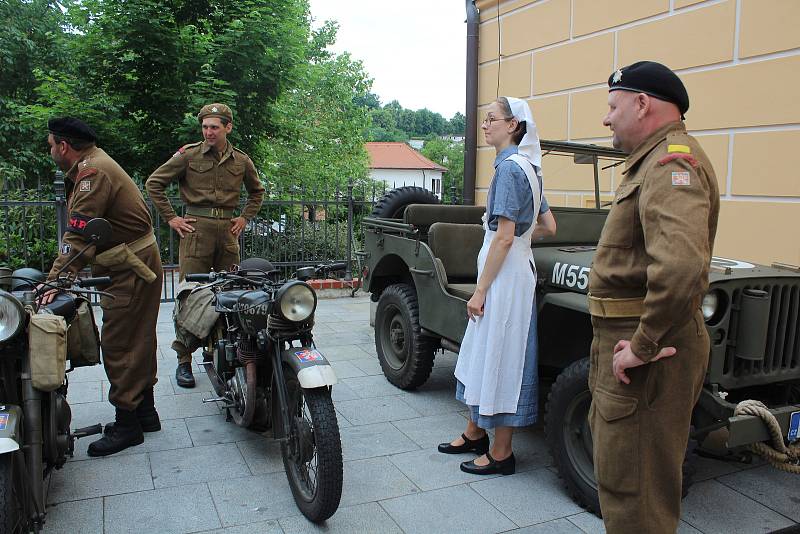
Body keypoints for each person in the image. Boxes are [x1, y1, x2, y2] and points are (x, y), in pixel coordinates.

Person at [588, 61, 719, 533]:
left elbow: (681, 266)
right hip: (638, 347)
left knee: (634, 495)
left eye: (612, 105)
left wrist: (642, 346)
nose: (606, 119)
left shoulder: (670, 164)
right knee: (631, 481)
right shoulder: (657, 159)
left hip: (643, 355)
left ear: (642, 103)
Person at [439, 97, 548, 476]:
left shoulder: (507, 172)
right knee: (487, 351)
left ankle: (502, 453)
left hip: (504, 278)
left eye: (492, 120)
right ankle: (474, 433)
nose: (485, 125)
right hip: (518, 269)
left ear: (513, 125)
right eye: (484, 120)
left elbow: (502, 238)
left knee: (502, 354)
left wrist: (480, 290)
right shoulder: (530, 169)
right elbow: (549, 225)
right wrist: (524, 235)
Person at [44, 117, 163, 457]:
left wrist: (56, 281)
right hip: (134, 259)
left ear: (64, 146)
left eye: (52, 145)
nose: (50, 151)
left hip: (128, 266)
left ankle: (127, 425)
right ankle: (145, 412)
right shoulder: (95, 163)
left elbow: (79, 236)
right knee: (139, 336)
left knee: (119, 342)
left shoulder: (92, 174)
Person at [146, 103, 264, 388]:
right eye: (205, 127)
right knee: (190, 294)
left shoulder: (241, 160)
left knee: (231, 292)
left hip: (227, 233)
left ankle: (222, 352)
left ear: (228, 127)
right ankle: (184, 360)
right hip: (195, 231)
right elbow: (154, 183)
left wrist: (245, 218)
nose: (208, 132)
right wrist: (172, 219)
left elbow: (257, 191)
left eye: (214, 127)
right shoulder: (188, 155)